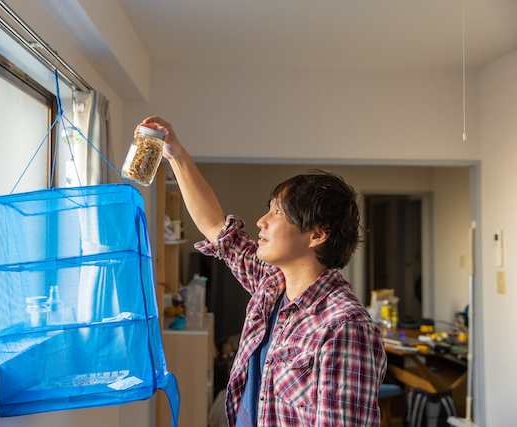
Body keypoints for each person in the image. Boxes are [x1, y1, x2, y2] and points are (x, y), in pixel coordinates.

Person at [137, 117, 387, 426]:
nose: (261, 221)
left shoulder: (343, 326)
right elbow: (217, 228)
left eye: (277, 212)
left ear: (317, 234)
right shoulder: (272, 286)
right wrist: (175, 153)